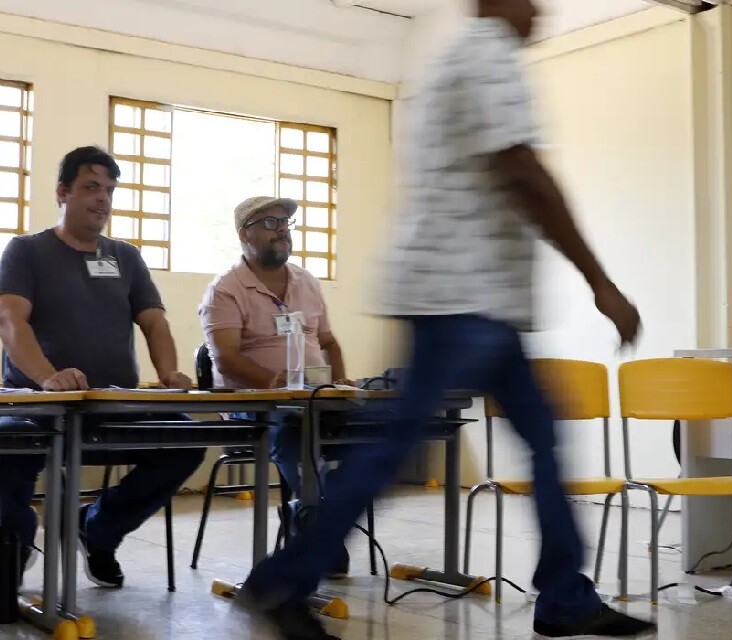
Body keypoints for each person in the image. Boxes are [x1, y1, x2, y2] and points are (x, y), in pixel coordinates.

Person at [235, 0, 657, 638]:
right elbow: (525, 173)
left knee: (535, 436)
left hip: (475, 298)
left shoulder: (454, 61)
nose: (541, 10)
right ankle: (280, 580)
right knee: (397, 443)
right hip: (463, 297)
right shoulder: (489, 54)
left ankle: (565, 594)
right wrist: (601, 281)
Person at [0, 145, 203, 590]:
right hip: (38, 406)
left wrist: (169, 373)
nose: (102, 199)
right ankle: (13, 546)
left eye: (109, 190)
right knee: (8, 446)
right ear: (62, 192)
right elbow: (10, 319)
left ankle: (98, 528)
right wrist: (47, 378)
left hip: (112, 409)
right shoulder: (26, 251)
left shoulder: (125, 257)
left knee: (188, 439)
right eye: (91, 187)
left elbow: (154, 321)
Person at [199, 195, 350, 577]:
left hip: (314, 398)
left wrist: (342, 382)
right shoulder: (226, 289)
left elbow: (329, 343)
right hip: (256, 406)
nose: (281, 228)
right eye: (269, 222)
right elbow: (226, 358)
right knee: (294, 425)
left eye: (285, 222)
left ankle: (310, 511)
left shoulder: (307, 282)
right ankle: (316, 518)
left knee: (369, 431)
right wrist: (273, 383)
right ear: (243, 234)